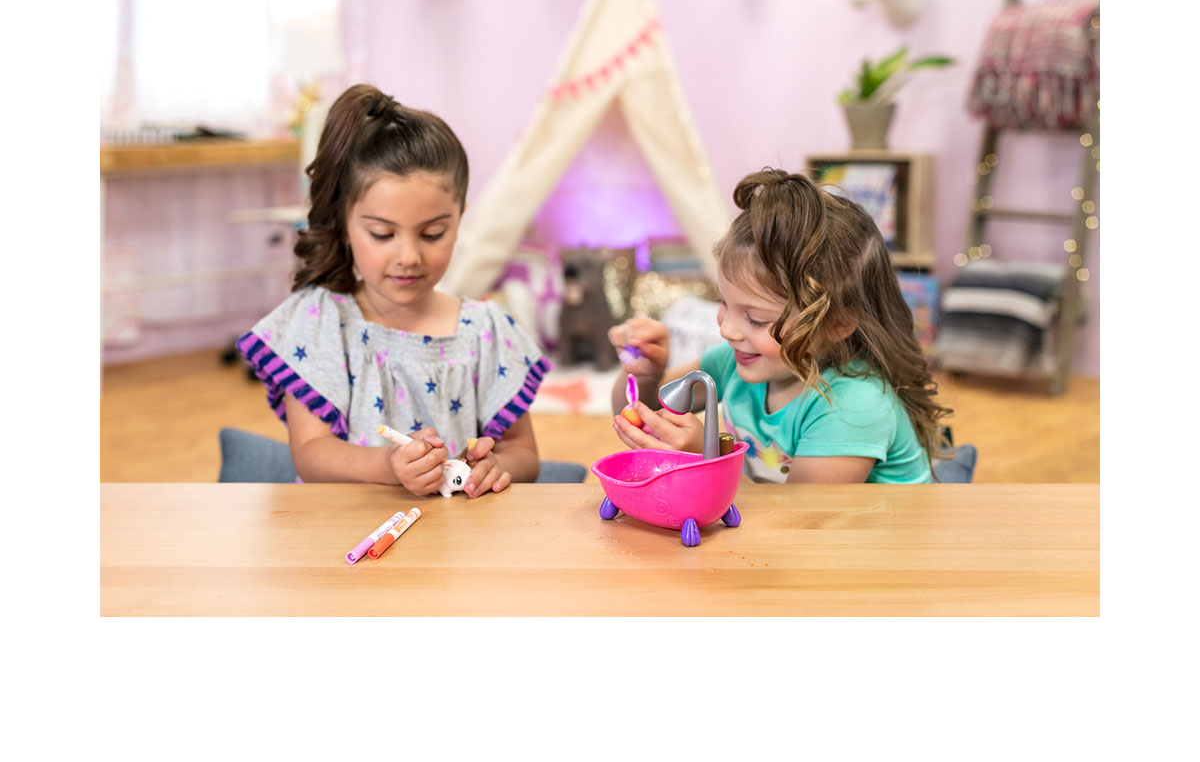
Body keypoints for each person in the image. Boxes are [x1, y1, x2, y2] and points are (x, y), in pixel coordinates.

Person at [237, 84, 548, 495]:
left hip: (456, 545)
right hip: (343, 539)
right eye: (382, 234)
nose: (409, 256)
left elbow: (523, 452)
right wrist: (386, 465)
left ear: (459, 220)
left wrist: (498, 467)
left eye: (433, 233)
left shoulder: (486, 331)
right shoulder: (321, 322)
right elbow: (311, 452)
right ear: (345, 224)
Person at [608, 168, 951, 483]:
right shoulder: (733, 364)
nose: (728, 331)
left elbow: (799, 525)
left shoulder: (853, 406)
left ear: (838, 323)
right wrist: (643, 373)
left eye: (756, 319)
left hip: (876, 545)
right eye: (723, 304)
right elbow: (642, 412)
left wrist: (706, 455)